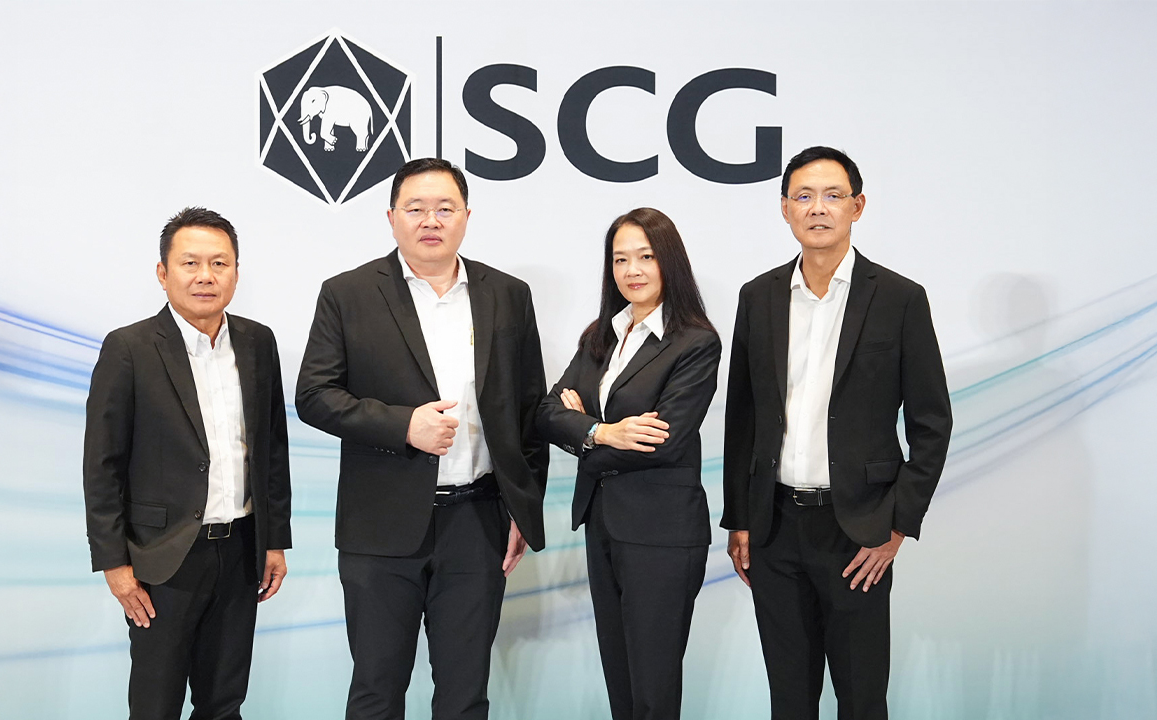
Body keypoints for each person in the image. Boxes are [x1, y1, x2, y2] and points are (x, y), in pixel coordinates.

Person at [294, 158, 549, 720]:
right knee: (377, 692)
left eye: (444, 208)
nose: (430, 220)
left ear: (466, 217)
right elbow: (313, 395)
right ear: (391, 217)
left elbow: (529, 408)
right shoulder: (348, 293)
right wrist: (402, 425)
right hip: (380, 524)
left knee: (465, 695)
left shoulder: (508, 294)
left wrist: (521, 507)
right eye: (415, 208)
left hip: (476, 521)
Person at [721, 146, 953, 719]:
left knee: (862, 698)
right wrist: (741, 520)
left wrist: (897, 525)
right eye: (803, 196)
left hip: (859, 530)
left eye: (832, 196)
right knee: (789, 700)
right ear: (784, 209)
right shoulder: (758, 296)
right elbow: (742, 419)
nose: (817, 208)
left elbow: (931, 423)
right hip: (774, 529)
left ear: (858, 206)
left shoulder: (899, 298)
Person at [83, 207, 293, 719]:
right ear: (163, 273)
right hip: (162, 558)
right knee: (156, 705)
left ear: (236, 273)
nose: (206, 276)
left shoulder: (258, 342)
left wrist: (274, 540)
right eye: (190, 263)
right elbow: (102, 464)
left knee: (224, 702)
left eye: (219, 263)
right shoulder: (129, 348)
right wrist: (114, 564)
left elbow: (271, 449)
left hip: (241, 550)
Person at [537, 208, 720, 720]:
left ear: (669, 262)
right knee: (620, 680)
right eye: (620, 259)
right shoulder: (600, 336)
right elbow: (546, 413)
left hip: (662, 532)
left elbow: (662, 442)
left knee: (652, 690)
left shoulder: (695, 342)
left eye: (645, 256)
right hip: (603, 522)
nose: (632, 270)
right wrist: (604, 431)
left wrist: (582, 428)